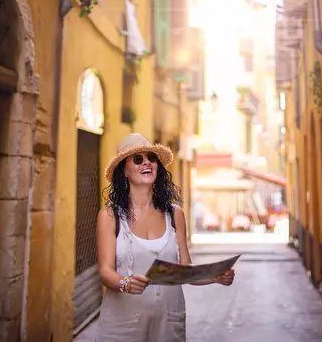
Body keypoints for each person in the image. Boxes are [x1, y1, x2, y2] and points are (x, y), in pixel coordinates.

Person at [96, 133, 235, 342]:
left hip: (168, 324)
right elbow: (105, 271)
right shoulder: (110, 216)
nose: (147, 163)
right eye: (137, 159)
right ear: (123, 170)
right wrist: (125, 283)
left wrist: (215, 276)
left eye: (151, 158)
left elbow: (184, 269)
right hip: (123, 325)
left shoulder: (175, 214)